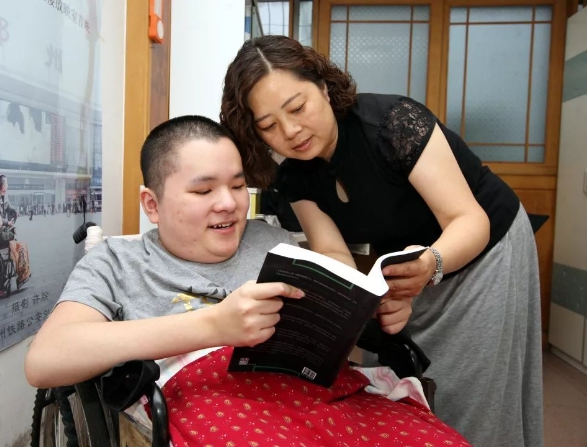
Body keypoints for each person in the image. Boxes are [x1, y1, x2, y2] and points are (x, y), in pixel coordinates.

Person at [25, 116, 470, 447]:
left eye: (238, 187)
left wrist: (374, 311)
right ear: (152, 204)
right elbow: (45, 360)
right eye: (203, 191)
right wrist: (213, 326)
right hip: (217, 405)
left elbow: (328, 323)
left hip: (321, 398)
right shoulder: (117, 262)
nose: (229, 204)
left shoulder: (270, 241)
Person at [220, 35, 543, 447]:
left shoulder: (392, 124)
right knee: (400, 386)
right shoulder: (294, 174)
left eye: (298, 108)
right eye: (268, 126)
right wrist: (353, 301)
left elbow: (467, 218)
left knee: (473, 389)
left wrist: (431, 263)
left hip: (481, 246)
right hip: (407, 266)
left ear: (323, 87)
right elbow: (332, 251)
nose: (291, 131)